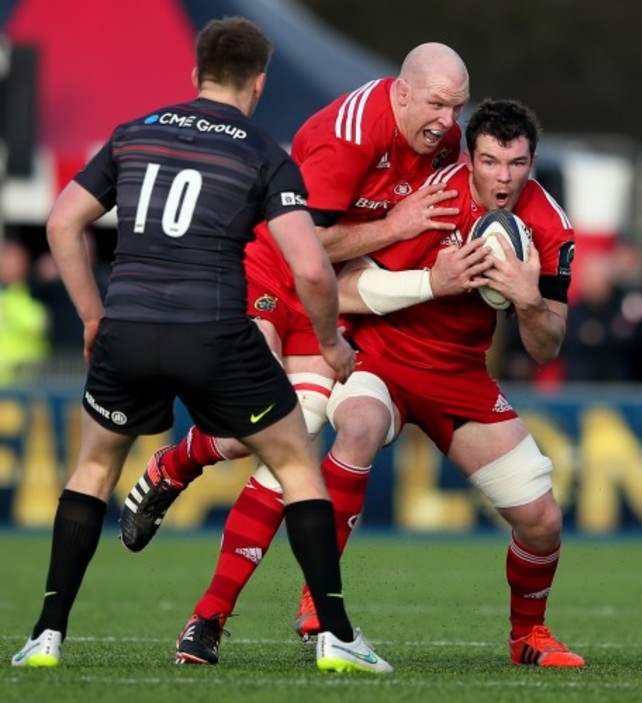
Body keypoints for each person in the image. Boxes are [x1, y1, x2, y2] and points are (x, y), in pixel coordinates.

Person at [11, 16, 392, 674]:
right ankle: (335, 635)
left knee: (93, 471)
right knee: (298, 464)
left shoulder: (134, 132)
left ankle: (45, 634)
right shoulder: (263, 152)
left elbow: (63, 221)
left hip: (127, 327)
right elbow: (309, 266)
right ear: (261, 82)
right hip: (214, 332)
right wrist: (330, 343)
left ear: (195, 75)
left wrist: (92, 314)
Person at [119, 41, 471, 662]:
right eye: (438, 104)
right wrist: (398, 228)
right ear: (403, 90)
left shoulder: (443, 141)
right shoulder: (350, 134)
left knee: (290, 434)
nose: (447, 121)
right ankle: (177, 468)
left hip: (325, 297)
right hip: (268, 271)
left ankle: (207, 617)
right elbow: (306, 246)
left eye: (458, 107)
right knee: (253, 426)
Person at [324, 98, 583, 667]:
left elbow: (546, 347)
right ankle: (318, 602)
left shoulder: (550, 227)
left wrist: (527, 298)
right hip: (381, 358)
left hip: (459, 375)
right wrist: (430, 281)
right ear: (470, 159)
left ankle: (527, 636)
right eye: (490, 161)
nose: (503, 177)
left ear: (532, 162)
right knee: (359, 427)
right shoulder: (428, 199)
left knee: (541, 521)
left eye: (516, 163)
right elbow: (339, 287)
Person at [0, 236, 50, 385]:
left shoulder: (39, 292)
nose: (12, 265)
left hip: (29, 383)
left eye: (17, 260)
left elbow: (37, 325)